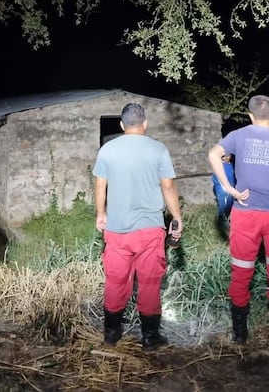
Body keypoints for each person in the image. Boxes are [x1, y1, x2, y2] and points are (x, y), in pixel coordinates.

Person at [207, 95, 269, 350]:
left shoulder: (238, 135)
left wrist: (229, 188)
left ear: (250, 115)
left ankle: (240, 334)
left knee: (241, 271)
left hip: (245, 212)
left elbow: (213, 154)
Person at [93, 102, 182, 351]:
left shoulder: (108, 149)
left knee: (115, 282)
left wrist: (101, 214)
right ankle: (150, 338)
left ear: (122, 125)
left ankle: (111, 335)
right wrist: (177, 217)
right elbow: (168, 187)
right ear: (145, 123)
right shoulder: (158, 149)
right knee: (150, 284)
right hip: (150, 230)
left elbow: (100, 185)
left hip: (117, 230)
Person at [211, 154, 236, 235]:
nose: (226, 157)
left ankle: (228, 220)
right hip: (223, 190)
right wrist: (223, 188)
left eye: (228, 155)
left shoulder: (231, 164)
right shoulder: (219, 165)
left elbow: (233, 177)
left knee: (230, 204)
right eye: (224, 156)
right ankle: (222, 222)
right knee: (223, 205)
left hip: (231, 189)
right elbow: (215, 178)